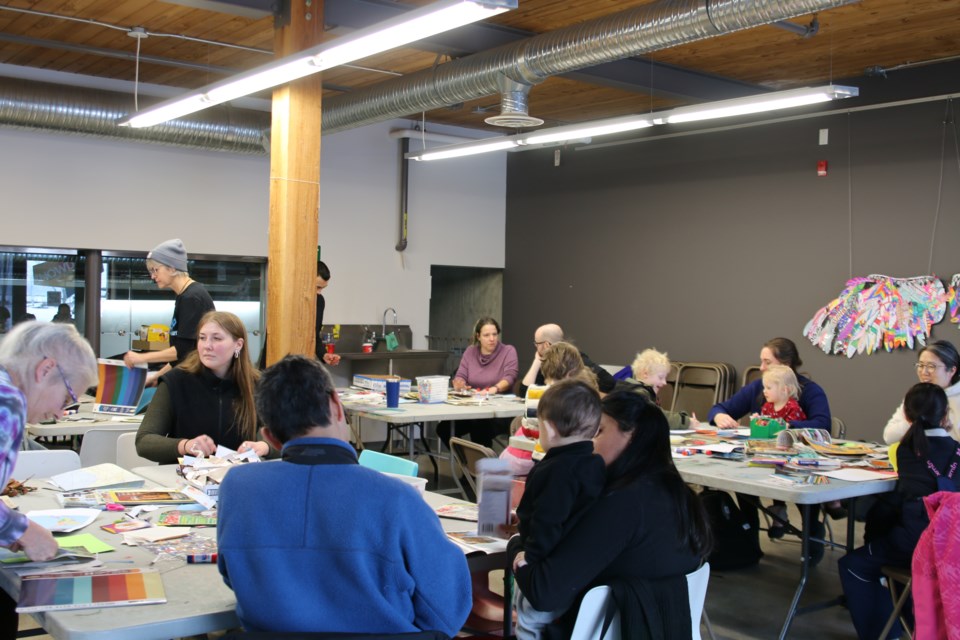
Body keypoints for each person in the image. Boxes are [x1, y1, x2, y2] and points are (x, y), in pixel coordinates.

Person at [216, 354, 471, 635]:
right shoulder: (398, 499)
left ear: (270, 438)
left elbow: (235, 578)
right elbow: (447, 612)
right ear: (337, 406)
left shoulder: (237, 488)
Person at [511, 390, 712, 638]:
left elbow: (543, 592)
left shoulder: (622, 504)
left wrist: (517, 545)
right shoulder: (678, 494)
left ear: (632, 434)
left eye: (598, 431)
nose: (588, 442)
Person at [0, 322, 98, 635]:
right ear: (45, 370)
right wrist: (23, 530)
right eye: (68, 398)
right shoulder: (8, 401)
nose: (60, 414)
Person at [839, 382, 957, 640]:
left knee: (853, 564)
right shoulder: (958, 451)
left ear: (905, 415)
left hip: (919, 544)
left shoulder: (905, 451)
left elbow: (895, 503)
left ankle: (884, 633)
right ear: (946, 415)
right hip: (953, 550)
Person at [706, 337, 832, 563]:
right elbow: (722, 407)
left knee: (801, 483)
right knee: (742, 484)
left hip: (797, 461)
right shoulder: (759, 387)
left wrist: (788, 427)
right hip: (761, 458)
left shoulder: (809, 391)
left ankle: (812, 532)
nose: (761, 367)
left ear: (786, 364)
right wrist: (720, 415)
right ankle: (749, 541)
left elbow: (823, 424)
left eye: (767, 362)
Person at [512, 378, 606, 639]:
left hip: (544, 566)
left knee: (529, 624)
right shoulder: (596, 464)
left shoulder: (556, 471)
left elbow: (548, 519)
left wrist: (529, 555)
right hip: (573, 568)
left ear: (550, 429)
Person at [136, 311, 272, 463]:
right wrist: (185, 445)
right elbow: (144, 441)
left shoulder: (259, 385)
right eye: (202, 338)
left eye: (217, 338)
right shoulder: (175, 381)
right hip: (182, 480)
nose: (207, 346)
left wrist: (264, 446)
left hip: (238, 479)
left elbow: (288, 440)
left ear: (238, 345)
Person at [123, 239, 215, 386]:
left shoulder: (192, 298)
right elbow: (181, 356)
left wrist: (142, 358)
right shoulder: (184, 296)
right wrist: (156, 377)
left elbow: (182, 352)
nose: (152, 276)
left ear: (172, 268)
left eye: (155, 270)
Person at [500, 342, 597, 476]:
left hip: (511, 457)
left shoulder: (535, 392)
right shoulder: (568, 400)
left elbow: (529, 431)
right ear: (571, 373)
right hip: (533, 462)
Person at [439, 317, 519, 447]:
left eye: (494, 334)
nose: (492, 339)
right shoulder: (470, 351)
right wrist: (459, 383)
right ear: (478, 336)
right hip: (473, 408)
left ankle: (481, 464)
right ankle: (466, 461)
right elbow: (461, 375)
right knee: (444, 429)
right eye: (486, 335)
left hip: (499, 411)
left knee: (479, 426)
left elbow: (510, 377)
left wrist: (492, 390)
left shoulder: (508, 351)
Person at [883, 339, 960, 445]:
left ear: (952, 370)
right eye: (921, 365)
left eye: (931, 366)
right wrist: (916, 416)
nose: (924, 372)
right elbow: (889, 437)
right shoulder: (916, 396)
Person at [519, 323, 615, 396]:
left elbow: (609, 381)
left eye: (537, 343)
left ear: (546, 345)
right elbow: (525, 394)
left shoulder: (576, 358)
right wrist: (537, 361)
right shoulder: (546, 362)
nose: (536, 347)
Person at [615, 348, 690, 429]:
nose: (664, 382)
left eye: (665, 378)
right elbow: (656, 416)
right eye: (661, 377)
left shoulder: (635, 391)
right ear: (645, 374)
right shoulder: (637, 395)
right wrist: (686, 421)